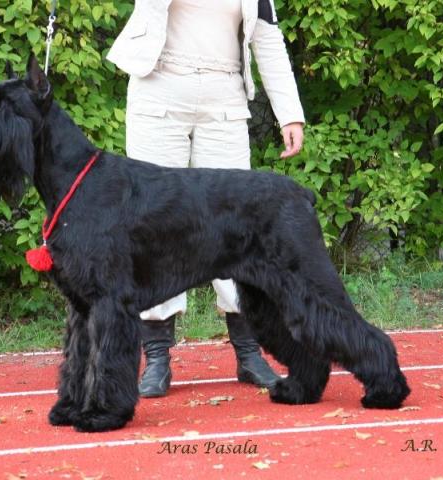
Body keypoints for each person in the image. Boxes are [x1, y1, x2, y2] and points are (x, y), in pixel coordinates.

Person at [106, 0, 305, 398]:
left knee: (237, 229)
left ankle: (250, 353)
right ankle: (157, 358)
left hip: (225, 100)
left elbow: (268, 39)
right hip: (158, 91)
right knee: (154, 227)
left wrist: (290, 114)